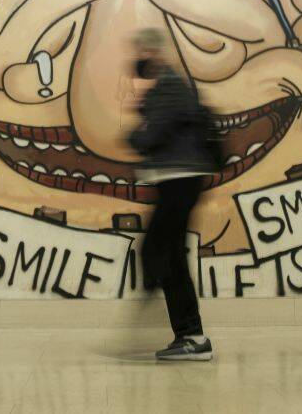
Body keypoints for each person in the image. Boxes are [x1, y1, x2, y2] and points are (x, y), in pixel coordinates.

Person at [128, 28, 217, 361]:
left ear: (154, 52)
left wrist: (137, 133)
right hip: (178, 181)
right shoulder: (168, 87)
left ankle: (190, 334)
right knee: (168, 255)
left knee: (159, 252)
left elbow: (149, 138)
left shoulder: (170, 85)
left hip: (180, 180)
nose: (138, 59)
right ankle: (191, 336)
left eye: (142, 52)